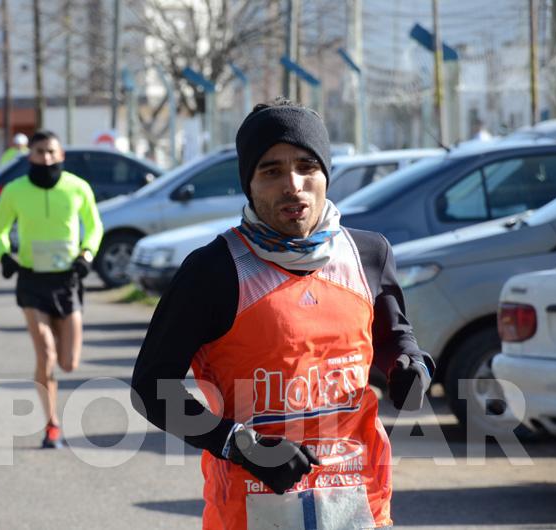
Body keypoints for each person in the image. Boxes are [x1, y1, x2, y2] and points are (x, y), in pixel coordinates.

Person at [130, 98, 435, 529]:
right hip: (252, 507)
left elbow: (393, 335)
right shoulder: (215, 270)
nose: (293, 185)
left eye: (307, 166)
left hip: (358, 502)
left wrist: (411, 366)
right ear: (249, 184)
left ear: (325, 174)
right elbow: (151, 387)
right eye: (271, 171)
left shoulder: (368, 253)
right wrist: (237, 444)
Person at [0, 130, 102, 449]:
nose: (46, 157)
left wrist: (87, 253)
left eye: (52, 151)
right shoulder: (14, 190)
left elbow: (94, 226)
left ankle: (52, 407)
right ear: (30, 156)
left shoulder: (77, 187)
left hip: (67, 280)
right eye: (40, 152)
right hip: (32, 280)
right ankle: (52, 424)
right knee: (46, 354)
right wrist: (4, 256)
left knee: (69, 363)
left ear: (61, 155)